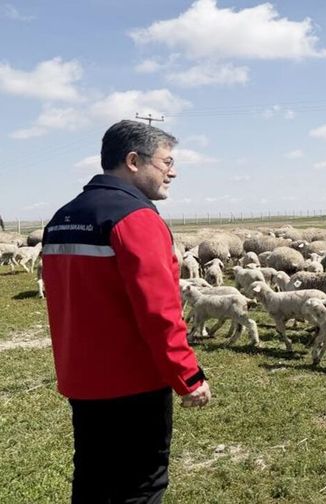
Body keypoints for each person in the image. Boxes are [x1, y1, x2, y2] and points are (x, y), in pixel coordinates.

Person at [41, 120, 210, 503]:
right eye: (166, 162)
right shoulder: (135, 219)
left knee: (94, 479)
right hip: (132, 385)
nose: (173, 171)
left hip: (82, 379)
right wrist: (188, 376)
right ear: (133, 160)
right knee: (141, 486)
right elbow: (160, 311)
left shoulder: (63, 218)